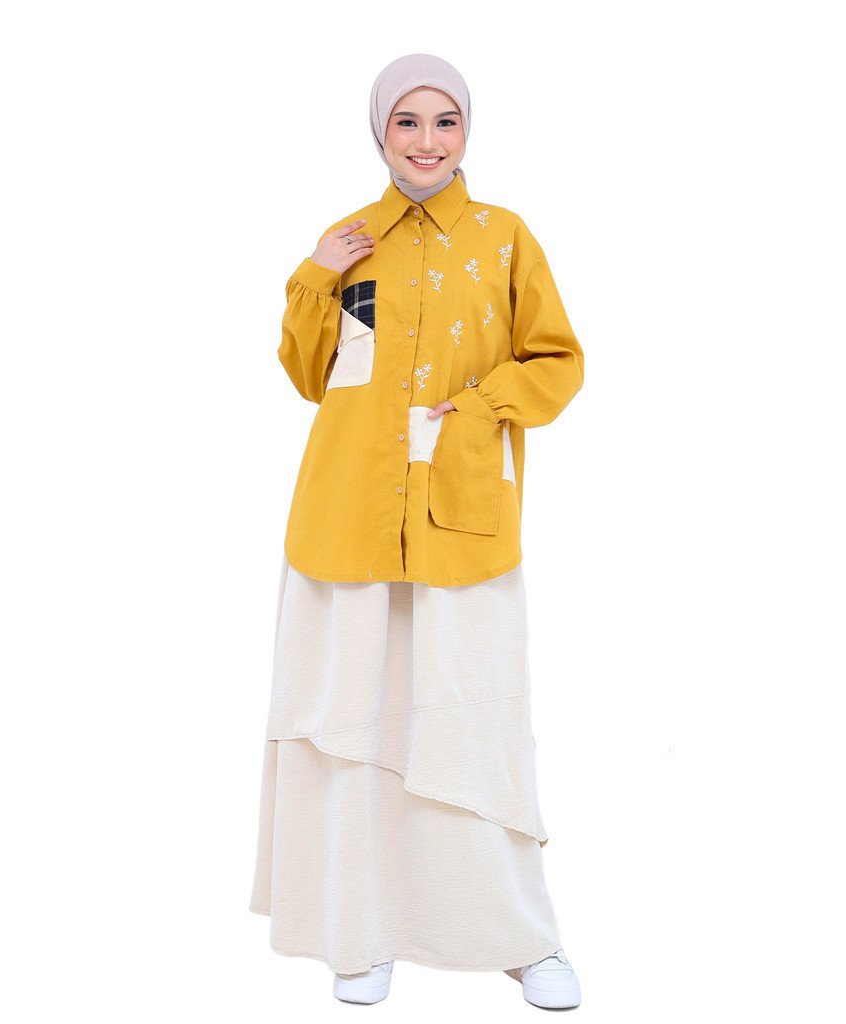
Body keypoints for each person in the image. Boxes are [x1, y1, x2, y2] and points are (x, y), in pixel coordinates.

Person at [249, 52, 585, 1010]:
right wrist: (316, 275)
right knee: (354, 724)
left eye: (446, 121)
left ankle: (518, 933)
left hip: (462, 520)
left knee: (471, 721)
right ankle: (357, 929)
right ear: (380, 131)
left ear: (467, 131)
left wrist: (480, 410)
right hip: (346, 518)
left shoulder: (505, 237)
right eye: (408, 121)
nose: (427, 141)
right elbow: (311, 376)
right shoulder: (349, 241)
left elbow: (556, 361)